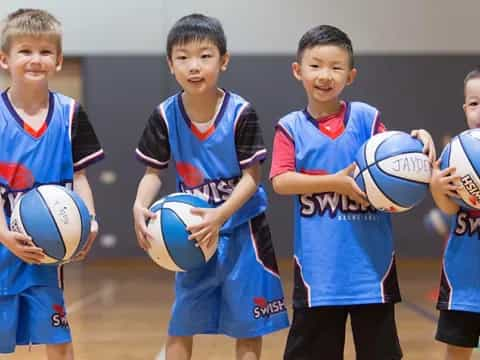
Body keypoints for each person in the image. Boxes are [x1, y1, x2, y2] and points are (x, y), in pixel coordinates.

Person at [269, 24, 435, 360]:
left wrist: (420, 143)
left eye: (336, 67)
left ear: (351, 75)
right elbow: (281, 181)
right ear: (297, 71)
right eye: (315, 66)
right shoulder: (290, 127)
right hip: (319, 273)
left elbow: (396, 157)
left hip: (371, 271)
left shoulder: (366, 118)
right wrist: (335, 181)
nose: (325, 75)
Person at [133, 13, 288, 360]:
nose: (194, 66)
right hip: (191, 234)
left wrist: (219, 216)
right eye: (183, 57)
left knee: (249, 325)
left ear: (224, 60)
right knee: (181, 322)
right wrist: (139, 205)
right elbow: (153, 172)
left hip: (243, 231)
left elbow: (252, 178)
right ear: (170, 65)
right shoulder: (164, 114)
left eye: (205, 55)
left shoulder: (240, 113)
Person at [0, 9, 104, 358]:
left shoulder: (71, 114)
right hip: (2, 242)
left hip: (47, 250)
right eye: (25, 51)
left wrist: (88, 219)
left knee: (58, 338)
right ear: (4, 59)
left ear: (58, 60)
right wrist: (5, 237)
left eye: (45, 51)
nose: (36, 59)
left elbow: (80, 177)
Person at [430, 66, 480, 360]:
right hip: (463, 281)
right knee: (457, 352)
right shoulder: (457, 156)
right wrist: (437, 187)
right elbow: (450, 208)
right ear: (465, 108)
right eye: (474, 104)